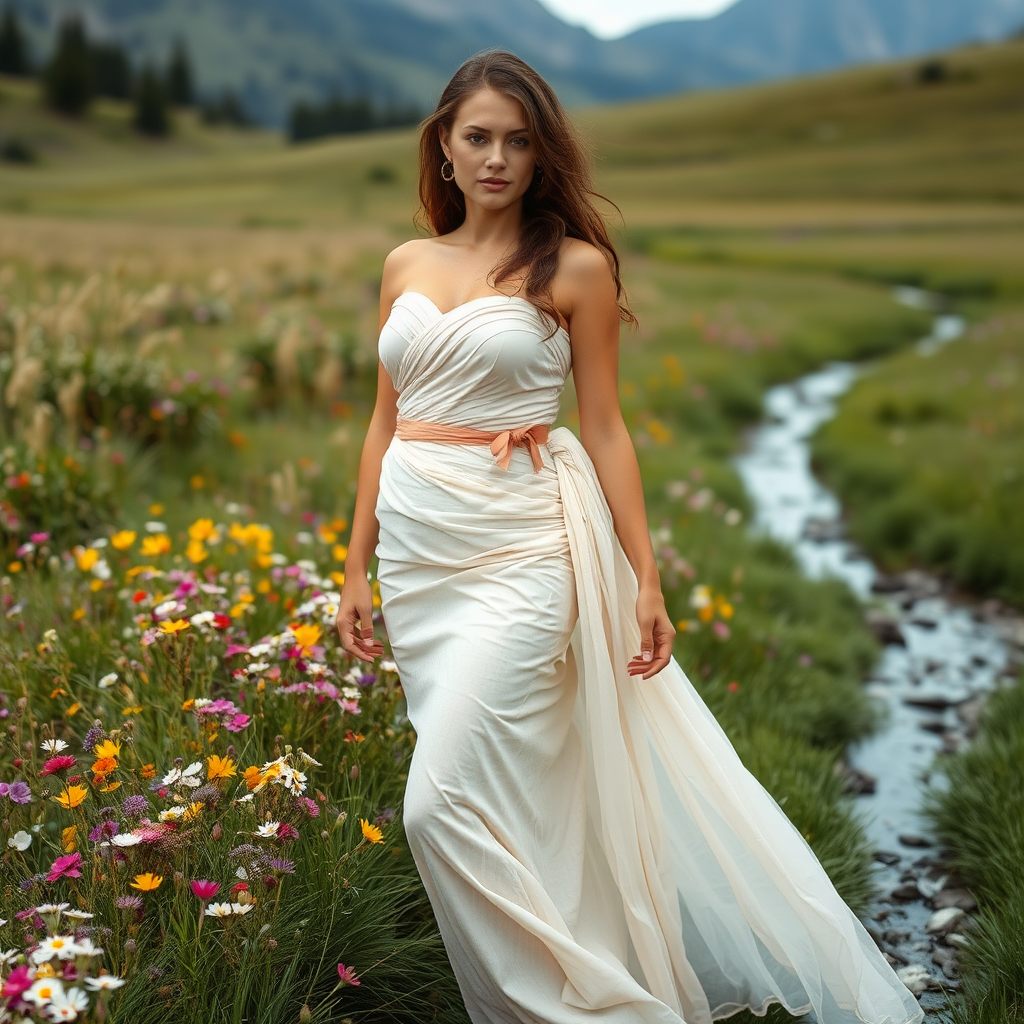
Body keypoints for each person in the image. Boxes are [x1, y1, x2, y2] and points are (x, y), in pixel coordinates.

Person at [334, 50, 924, 1024]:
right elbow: (383, 423)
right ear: (441, 146)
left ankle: (593, 1007)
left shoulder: (574, 267)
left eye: (518, 142)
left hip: (525, 549)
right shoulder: (407, 263)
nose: (496, 158)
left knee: (432, 806)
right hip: (421, 556)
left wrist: (643, 577)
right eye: (476, 137)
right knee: (519, 791)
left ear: (541, 154)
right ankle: (572, 973)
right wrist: (352, 568)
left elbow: (603, 426)